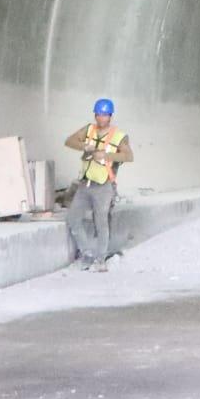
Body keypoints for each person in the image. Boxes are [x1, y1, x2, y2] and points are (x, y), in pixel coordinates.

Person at [63, 98, 134, 272]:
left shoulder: (119, 136)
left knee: (101, 223)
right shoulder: (89, 130)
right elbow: (69, 141)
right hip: (85, 183)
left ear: (110, 116)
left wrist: (106, 156)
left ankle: (100, 259)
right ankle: (87, 254)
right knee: (73, 219)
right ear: (95, 115)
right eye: (98, 115)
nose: (101, 118)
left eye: (104, 115)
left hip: (104, 185)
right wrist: (85, 146)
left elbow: (128, 156)